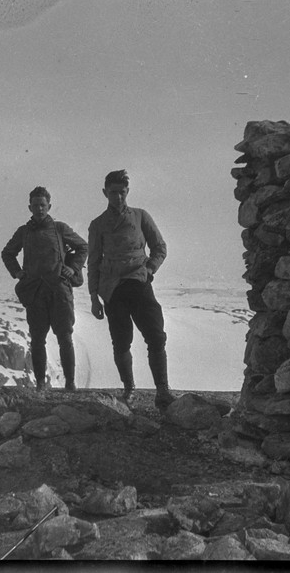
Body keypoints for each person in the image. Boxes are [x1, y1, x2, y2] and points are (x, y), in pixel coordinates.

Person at [87, 170, 174, 408]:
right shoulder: (97, 225)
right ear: (105, 193)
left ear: (128, 192)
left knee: (156, 335)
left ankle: (163, 391)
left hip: (139, 283)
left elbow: (160, 247)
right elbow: (93, 261)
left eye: (122, 193)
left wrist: (150, 269)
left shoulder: (140, 216)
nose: (118, 197)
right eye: (113, 193)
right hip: (113, 290)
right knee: (121, 341)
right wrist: (94, 297)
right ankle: (128, 390)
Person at [2, 186, 88, 391]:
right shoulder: (23, 232)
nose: (39, 209)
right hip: (35, 293)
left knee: (65, 336)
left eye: (43, 205)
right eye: (35, 205)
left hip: (59, 291)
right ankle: (40, 383)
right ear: (29, 207)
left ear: (49, 206)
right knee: (37, 339)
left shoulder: (60, 229)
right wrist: (18, 273)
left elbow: (83, 246)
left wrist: (72, 268)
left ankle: (70, 383)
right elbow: (8, 253)